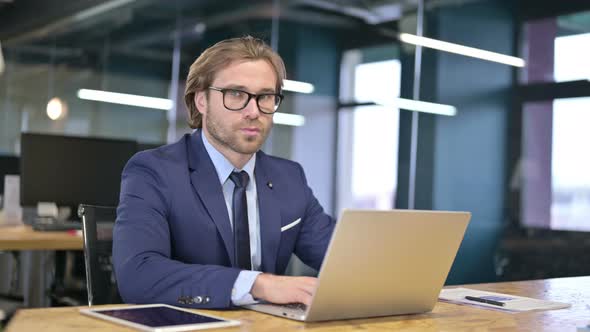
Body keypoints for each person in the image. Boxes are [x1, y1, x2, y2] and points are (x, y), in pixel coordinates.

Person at [113, 36, 335, 309]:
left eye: (265, 97)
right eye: (236, 95)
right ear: (202, 100)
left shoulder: (289, 177)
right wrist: (258, 284)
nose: (254, 111)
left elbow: (342, 259)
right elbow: (139, 275)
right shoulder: (154, 172)